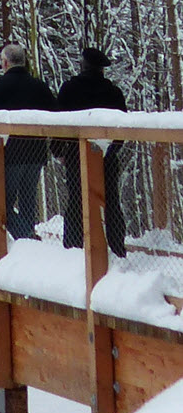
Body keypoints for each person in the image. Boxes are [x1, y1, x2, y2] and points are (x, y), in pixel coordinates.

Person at [0, 42, 57, 240]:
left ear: (5, 63)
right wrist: (57, 148)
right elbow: (57, 117)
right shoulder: (40, 87)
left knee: (1, 202)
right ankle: (28, 238)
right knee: (29, 200)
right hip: (36, 153)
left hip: (8, 154)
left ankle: (26, 236)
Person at [56, 45, 128, 259]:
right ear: (101, 69)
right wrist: (111, 149)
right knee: (112, 201)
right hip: (107, 156)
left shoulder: (69, 88)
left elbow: (58, 122)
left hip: (76, 154)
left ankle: (73, 248)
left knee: (77, 200)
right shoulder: (113, 92)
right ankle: (116, 247)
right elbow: (122, 126)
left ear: (83, 65)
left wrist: (59, 150)